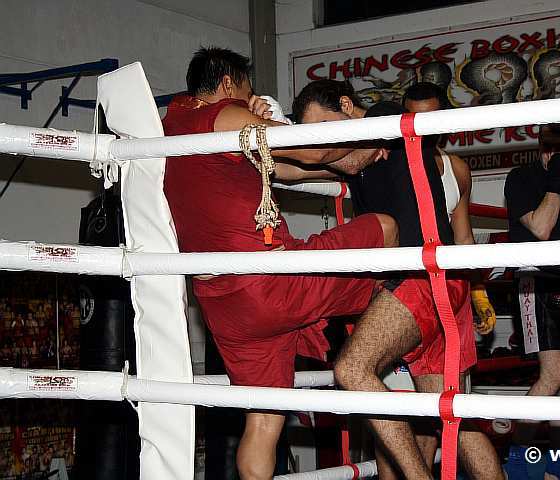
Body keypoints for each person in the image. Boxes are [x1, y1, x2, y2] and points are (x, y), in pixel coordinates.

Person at [162, 46, 399, 480]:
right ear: (228, 83)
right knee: (383, 228)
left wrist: (346, 167)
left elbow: (284, 170)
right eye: (246, 90)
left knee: (264, 419)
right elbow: (306, 152)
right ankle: (396, 331)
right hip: (268, 283)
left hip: (220, 303)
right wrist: (374, 133)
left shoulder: (172, 126)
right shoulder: (223, 116)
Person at [293, 79, 503, 480]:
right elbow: (306, 163)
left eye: (324, 127)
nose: (322, 143)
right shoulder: (351, 150)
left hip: (423, 279)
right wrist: (263, 140)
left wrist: (291, 144)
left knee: (352, 370)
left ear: (346, 105)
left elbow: (354, 155)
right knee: (447, 412)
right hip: (436, 281)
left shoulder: (384, 119)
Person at [503, 122, 560, 480]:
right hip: (535, 278)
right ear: (540, 145)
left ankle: (558, 466)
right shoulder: (521, 177)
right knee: (553, 373)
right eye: (551, 145)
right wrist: (555, 176)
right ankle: (518, 464)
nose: (557, 153)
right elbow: (541, 228)